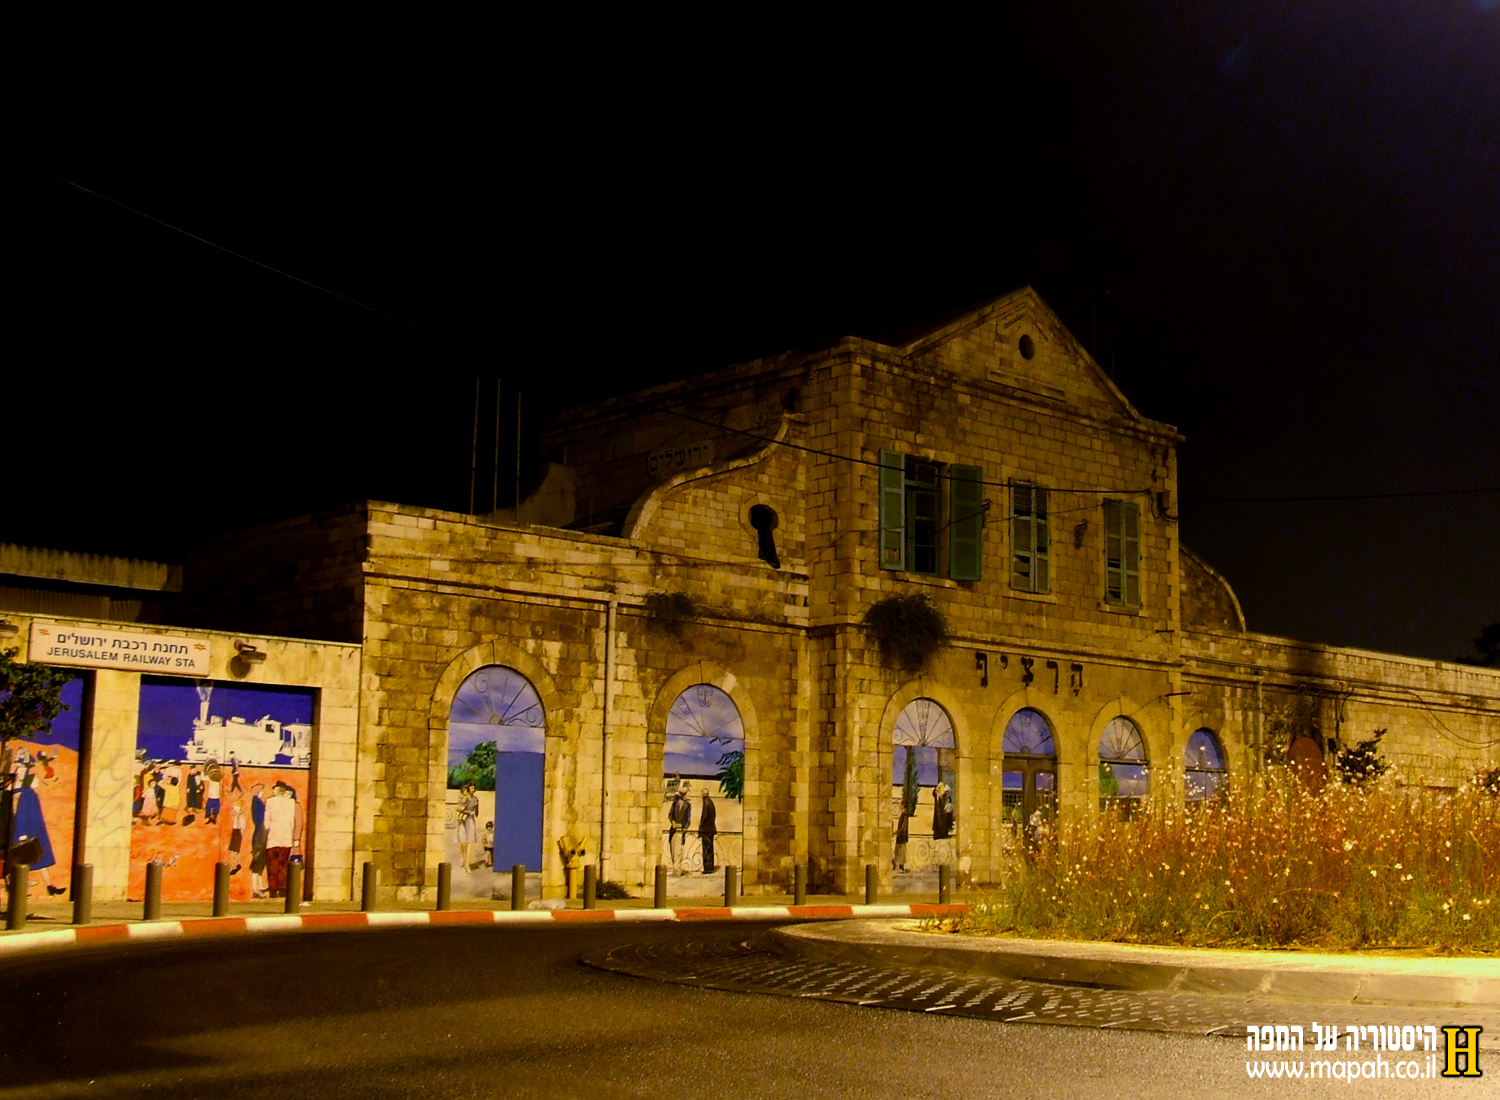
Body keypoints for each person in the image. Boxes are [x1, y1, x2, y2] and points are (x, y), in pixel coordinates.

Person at [263, 781, 300, 898]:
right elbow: (293, 821)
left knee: (272, 864)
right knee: (283, 865)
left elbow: (266, 822)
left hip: (273, 838)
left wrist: (266, 832)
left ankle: (273, 890)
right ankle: (283, 889)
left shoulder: (270, 802)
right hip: (286, 838)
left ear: (277, 790)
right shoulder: (291, 802)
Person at [249, 784, 269, 898]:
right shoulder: (256, 802)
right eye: (261, 790)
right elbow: (259, 819)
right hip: (259, 836)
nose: (263, 792)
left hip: (262, 834)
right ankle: (255, 889)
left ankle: (260, 886)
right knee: (256, 864)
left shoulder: (258, 802)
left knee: (260, 863)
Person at [456, 782, 481, 870]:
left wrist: (475, 809)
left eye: (474, 788)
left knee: (470, 841)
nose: (472, 790)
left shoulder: (475, 799)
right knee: (463, 842)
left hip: (470, 820)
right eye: (471, 788)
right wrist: (466, 811)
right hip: (462, 819)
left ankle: (467, 864)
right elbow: (458, 808)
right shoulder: (464, 797)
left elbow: (477, 813)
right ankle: (463, 858)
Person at [667, 787, 691, 872]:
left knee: (680, 849)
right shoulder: (675, 803)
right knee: (673, 848)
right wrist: (672, 822)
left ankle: (678, 868)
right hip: (674, 829)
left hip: (681, 830)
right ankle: (675, 867)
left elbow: (688, 819)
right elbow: (670, 814)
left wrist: (684, 828)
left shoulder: (688, 805)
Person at [698, 789, 717, 875]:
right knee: (710, 849)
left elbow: (704, 816)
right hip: (711, 829)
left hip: (706, 830)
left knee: (706, 849)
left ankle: (707, 868)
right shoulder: (710, 801)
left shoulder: (706, 802)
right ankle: (711, 866)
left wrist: (701, 827)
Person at [893, 806, 910, 871]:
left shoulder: (904, 816)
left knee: (901, 852)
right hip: (901, 837)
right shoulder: (903, 815)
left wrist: (897, 831)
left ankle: (901, 866)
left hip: (902, 837)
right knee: (899, 852)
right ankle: (900, 866)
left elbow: (903, 828)